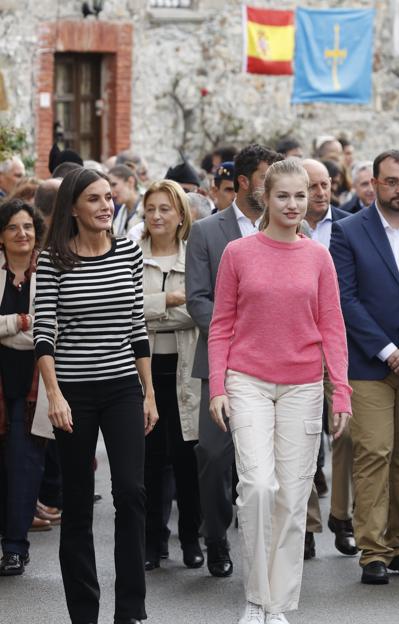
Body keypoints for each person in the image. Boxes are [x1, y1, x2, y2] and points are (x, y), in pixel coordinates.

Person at [208, 158, 351, 624]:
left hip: (303, 387)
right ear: (264, 199)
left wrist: (341, 392)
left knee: (292, 499)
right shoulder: (238, 253)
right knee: (257, 487)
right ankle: (255, 597)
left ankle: (279, 604)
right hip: (246, 382)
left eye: (301, 195)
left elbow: (333, 327)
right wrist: (217, 387)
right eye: (283, 196)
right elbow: (220, 325)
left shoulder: (318, 257)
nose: (293, 204)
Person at [33, 167, 158, 624]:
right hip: (74, 393)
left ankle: (130, 609)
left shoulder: (127, 249)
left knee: (131, 491)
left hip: (124, 386)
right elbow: (44, 335)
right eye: (95, 199)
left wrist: (149, 394)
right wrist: (55, 395)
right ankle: (84, 613)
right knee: (79, 500)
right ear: (72, 208)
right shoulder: (52, 260)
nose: (107, 205)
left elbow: (136, 328)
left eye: (109, 197)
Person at [330, 149, 399, 585]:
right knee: (374, 453)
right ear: (373, 184)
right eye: (391, 181)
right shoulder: (348, 231)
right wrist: (388, 348)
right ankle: (372, 550)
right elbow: (345, 299)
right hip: (369, 365)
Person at [186, 144, 282, 579]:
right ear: (245, 183)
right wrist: (237, 336)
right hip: (223, 361)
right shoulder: (207, 232)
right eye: (267, 178)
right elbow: (197, 299)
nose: (277, 188)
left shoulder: (285, 227)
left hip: (278, 362)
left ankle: (269, 546)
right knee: (212, 453)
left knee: (273, 462)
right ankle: (217, 535)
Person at [139, 180, 202, 571]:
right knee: (148, 460)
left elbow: (198, 309)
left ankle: (192, 540)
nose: (158, 216)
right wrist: (167, 300)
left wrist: (153, 310)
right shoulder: (130, 255)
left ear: (180, 215)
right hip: (142, 370)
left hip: (185, 368)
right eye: (151, 209)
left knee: (186, 457)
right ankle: (152, 541)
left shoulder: (194, 256)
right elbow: (123, 308)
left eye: (165, 208)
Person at [300, 158, 355, 559]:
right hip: (297, 350)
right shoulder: (284, 230)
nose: (320, 192)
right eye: (311, 186)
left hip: (340, 346)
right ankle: (304, 524)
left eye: (325, 184)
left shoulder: (353, 225)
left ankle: (342, 515)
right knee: (300, 440)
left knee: (346, 433)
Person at [0, 199, 53, 576]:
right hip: (0, 381)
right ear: (1, 236)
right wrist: (20, 322)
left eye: (28, 227)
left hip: (36, 382)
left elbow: (51, 328)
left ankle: (15, 547)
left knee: (23, 465)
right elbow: (32, 327)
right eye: (13, 227)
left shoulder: (49, 271)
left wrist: (8, 329)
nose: (22, 234)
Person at [109, 164, 142, 236]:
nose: (111, 192)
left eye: (114, 185)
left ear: (130, 182)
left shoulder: (146, 208)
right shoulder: (122, 210)